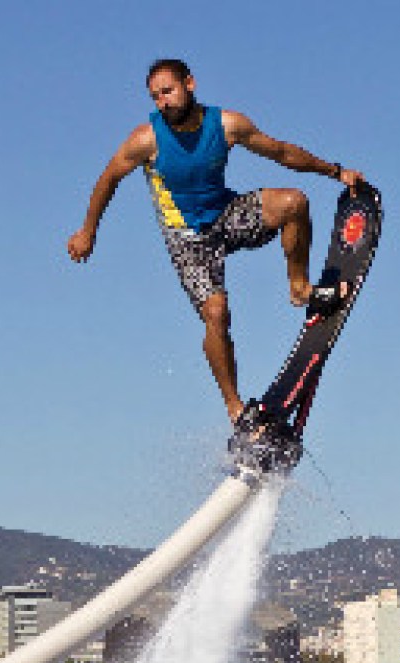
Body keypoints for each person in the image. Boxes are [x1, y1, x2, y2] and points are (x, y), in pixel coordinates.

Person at [67, 58, 365, 429]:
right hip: (188, 240)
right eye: (155, 97)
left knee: (294, 203)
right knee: (216, 313)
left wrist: (336, 172)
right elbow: (108, 178)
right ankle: (235, 408)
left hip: (226, 214)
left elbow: (281, 152)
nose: (163, 102)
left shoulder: (227, 125)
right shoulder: (146, 139)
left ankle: (300, 288)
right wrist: (88, 231)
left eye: (168, 91)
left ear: (189, 84)